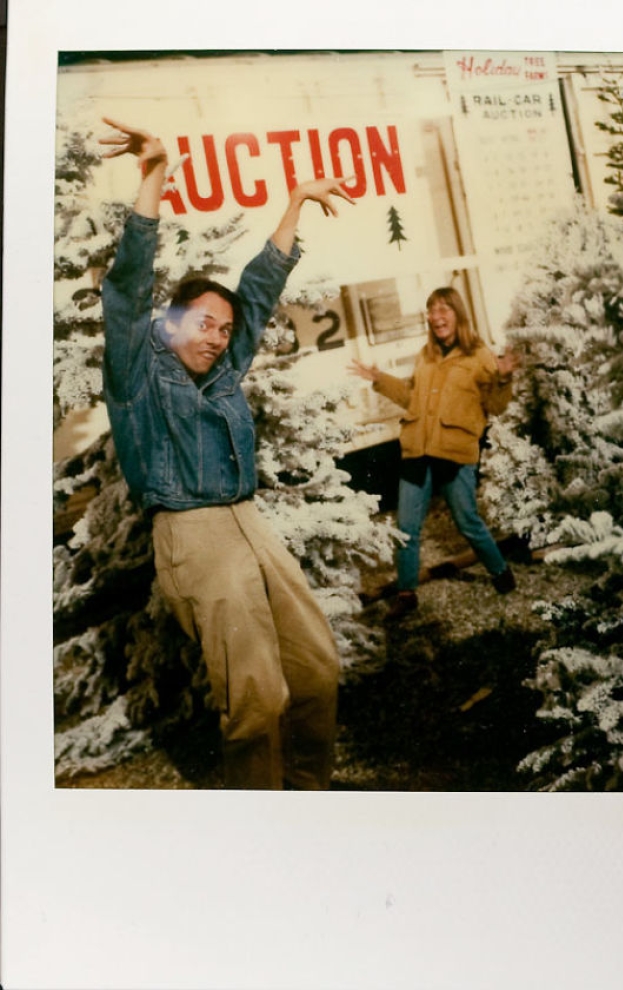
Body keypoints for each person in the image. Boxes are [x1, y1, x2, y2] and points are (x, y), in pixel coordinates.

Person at [99, 118, 355, 789]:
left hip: (250, 524)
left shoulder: (220, 370)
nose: (216, 338)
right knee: (255, 699)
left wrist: (295, 200)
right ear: (174, 321)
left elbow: (261, 290)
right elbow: (126, 289)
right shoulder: (137, 373)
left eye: (225, 330)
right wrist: (154, 172)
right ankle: (260, 827)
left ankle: (308, 800)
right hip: (194, 535)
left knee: (315, 671)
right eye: (204, 324)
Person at [349, 286, 518, 619]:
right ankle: (407, 592)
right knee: (406, 528)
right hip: (417, 451)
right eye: (431, 310)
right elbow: (412, 395)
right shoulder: (425, 354)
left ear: (458, 314)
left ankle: (500, 571)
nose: (437, 317)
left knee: (467, 522)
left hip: (454, 453)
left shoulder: (479, 355)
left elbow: (495, 406)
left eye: (444, 309)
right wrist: (379, 378)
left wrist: (504, 377)